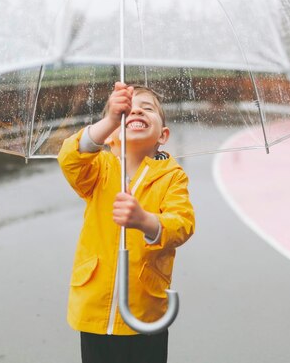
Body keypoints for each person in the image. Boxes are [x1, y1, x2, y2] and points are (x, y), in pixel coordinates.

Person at [57, 82, 195, 363]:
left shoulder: (172, 176)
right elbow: (70, 159)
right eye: (126, 112)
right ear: (109, 136)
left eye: (147, 110)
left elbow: (182, 223)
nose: (136, 112)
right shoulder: (98, 169)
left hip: (145, 308)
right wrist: (108, 119)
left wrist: (145, 221)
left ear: (163, 135)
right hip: (96, 308)